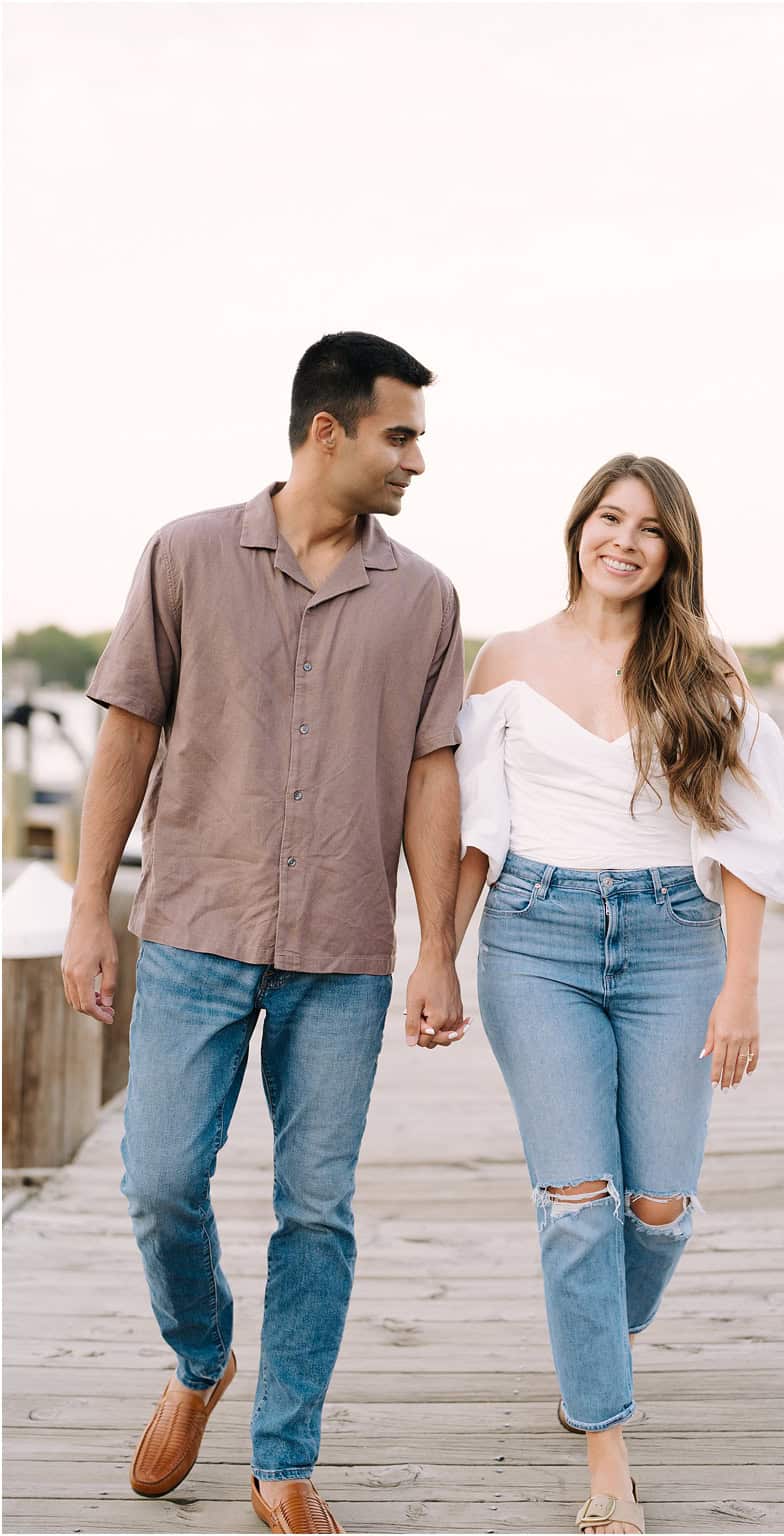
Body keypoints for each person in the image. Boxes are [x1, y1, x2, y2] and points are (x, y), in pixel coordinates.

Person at [62, 331, 466, 1535]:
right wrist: (90, 907)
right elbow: (127, 733)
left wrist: (438, 942)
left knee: (316, 1209)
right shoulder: (185, 554)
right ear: (327, 431)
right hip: (193, 927)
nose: (417, 461)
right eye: (401, 435)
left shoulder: (427, 599)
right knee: (161, 1181)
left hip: (343, 951)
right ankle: (202, 1359)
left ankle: (283, 1456)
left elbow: (431, 777)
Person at [450, 453, 784, 1535]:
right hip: (534, 937)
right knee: (578, 1204)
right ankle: (604, 1451)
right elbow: (475, 829)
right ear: (578, 529)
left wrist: (740, 990)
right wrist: (437, 956)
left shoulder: (706, 670)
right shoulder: (507, 660)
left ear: (673, 553)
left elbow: (748, 840)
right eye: (607, 518)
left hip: (672, 941)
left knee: (655, 1207)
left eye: (647, 529)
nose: (621, 539)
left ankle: (594, 1335)